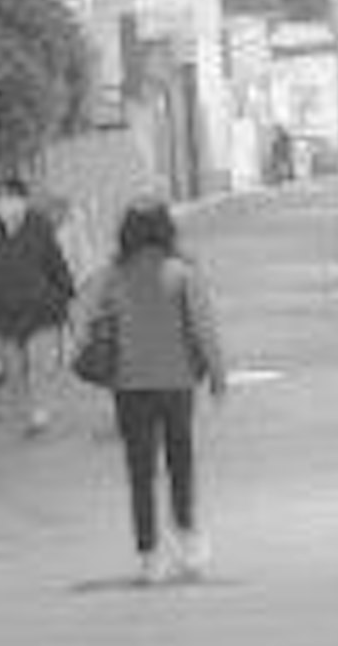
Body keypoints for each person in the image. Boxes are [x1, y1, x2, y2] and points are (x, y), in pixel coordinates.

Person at [71, 192, 228, 577]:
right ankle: (188, 540)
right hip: (176, 383)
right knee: (180, 461)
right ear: (166, 229)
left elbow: (81, 315)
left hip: (129, 384)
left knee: (140, 471)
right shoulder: (180, 271)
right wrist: (218, 375)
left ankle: (149, 557)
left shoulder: (112, 273)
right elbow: (203, 327)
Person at [0, 171, 78, 431]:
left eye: (12, 198)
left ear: (23, 200)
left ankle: (39, 410)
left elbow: (56, 264)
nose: (7, 204)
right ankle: (27, 410)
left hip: (40, 311)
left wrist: (63, 296)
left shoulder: (39, 227)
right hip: (5, 315)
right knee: (14, 370)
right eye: (2, 199)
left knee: (38, 363)